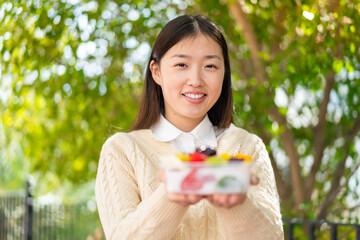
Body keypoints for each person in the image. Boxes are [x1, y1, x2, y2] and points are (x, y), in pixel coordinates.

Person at [95, 14, 283, 239]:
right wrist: (175, 191)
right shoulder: (122, 150)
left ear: (224, 74)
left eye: (210, 66)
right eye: (181, 64)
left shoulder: (246, 146)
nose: (196, 80)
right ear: (156, 71)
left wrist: (235, 201)